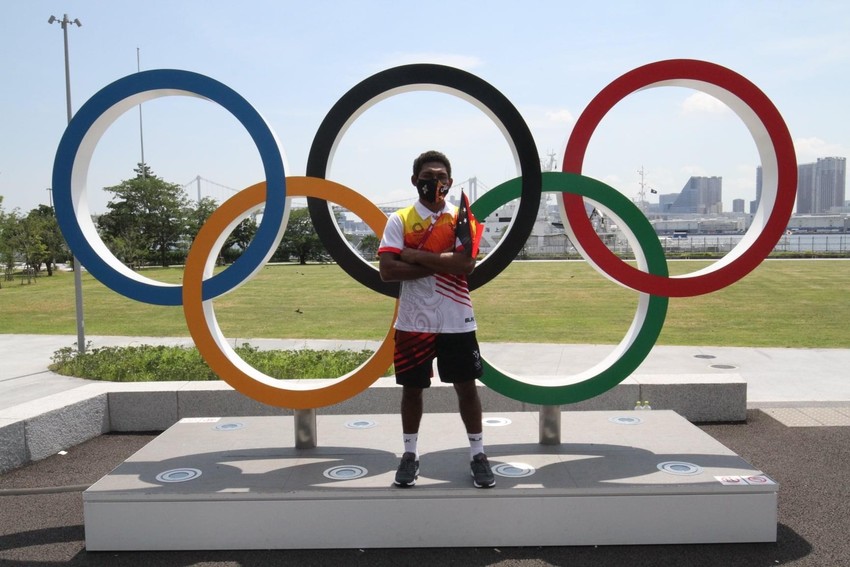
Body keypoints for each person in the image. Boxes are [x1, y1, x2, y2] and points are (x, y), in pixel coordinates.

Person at [378, 150, 494, 489]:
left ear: (451, 182)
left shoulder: (461, 218)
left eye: (441, 178)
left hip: (457, 320)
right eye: (428, 177)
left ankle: (478, 454)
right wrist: (441, 260)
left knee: (467, 388)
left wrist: (413, 255)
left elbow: (465, 266)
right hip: (414, 321)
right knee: (412, 390)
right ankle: (410, 455)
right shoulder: (399, 219)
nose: (435, 183)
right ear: (415, 181)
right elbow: (387, 270)